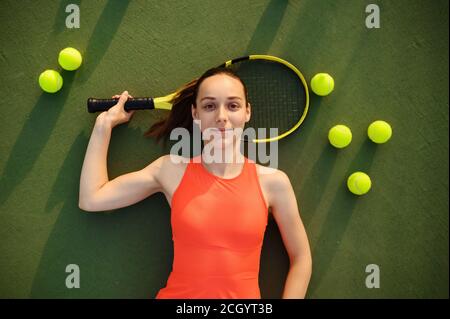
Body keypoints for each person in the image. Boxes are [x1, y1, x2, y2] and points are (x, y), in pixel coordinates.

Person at [78, 67, 312, 299]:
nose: (221, 116)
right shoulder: (170, 170)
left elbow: (301, 258)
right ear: (195, 114)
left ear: (247, 112)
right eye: (209, 106)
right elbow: (92, 198)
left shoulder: (273, 182)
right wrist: (104, 126)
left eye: (233, 105)